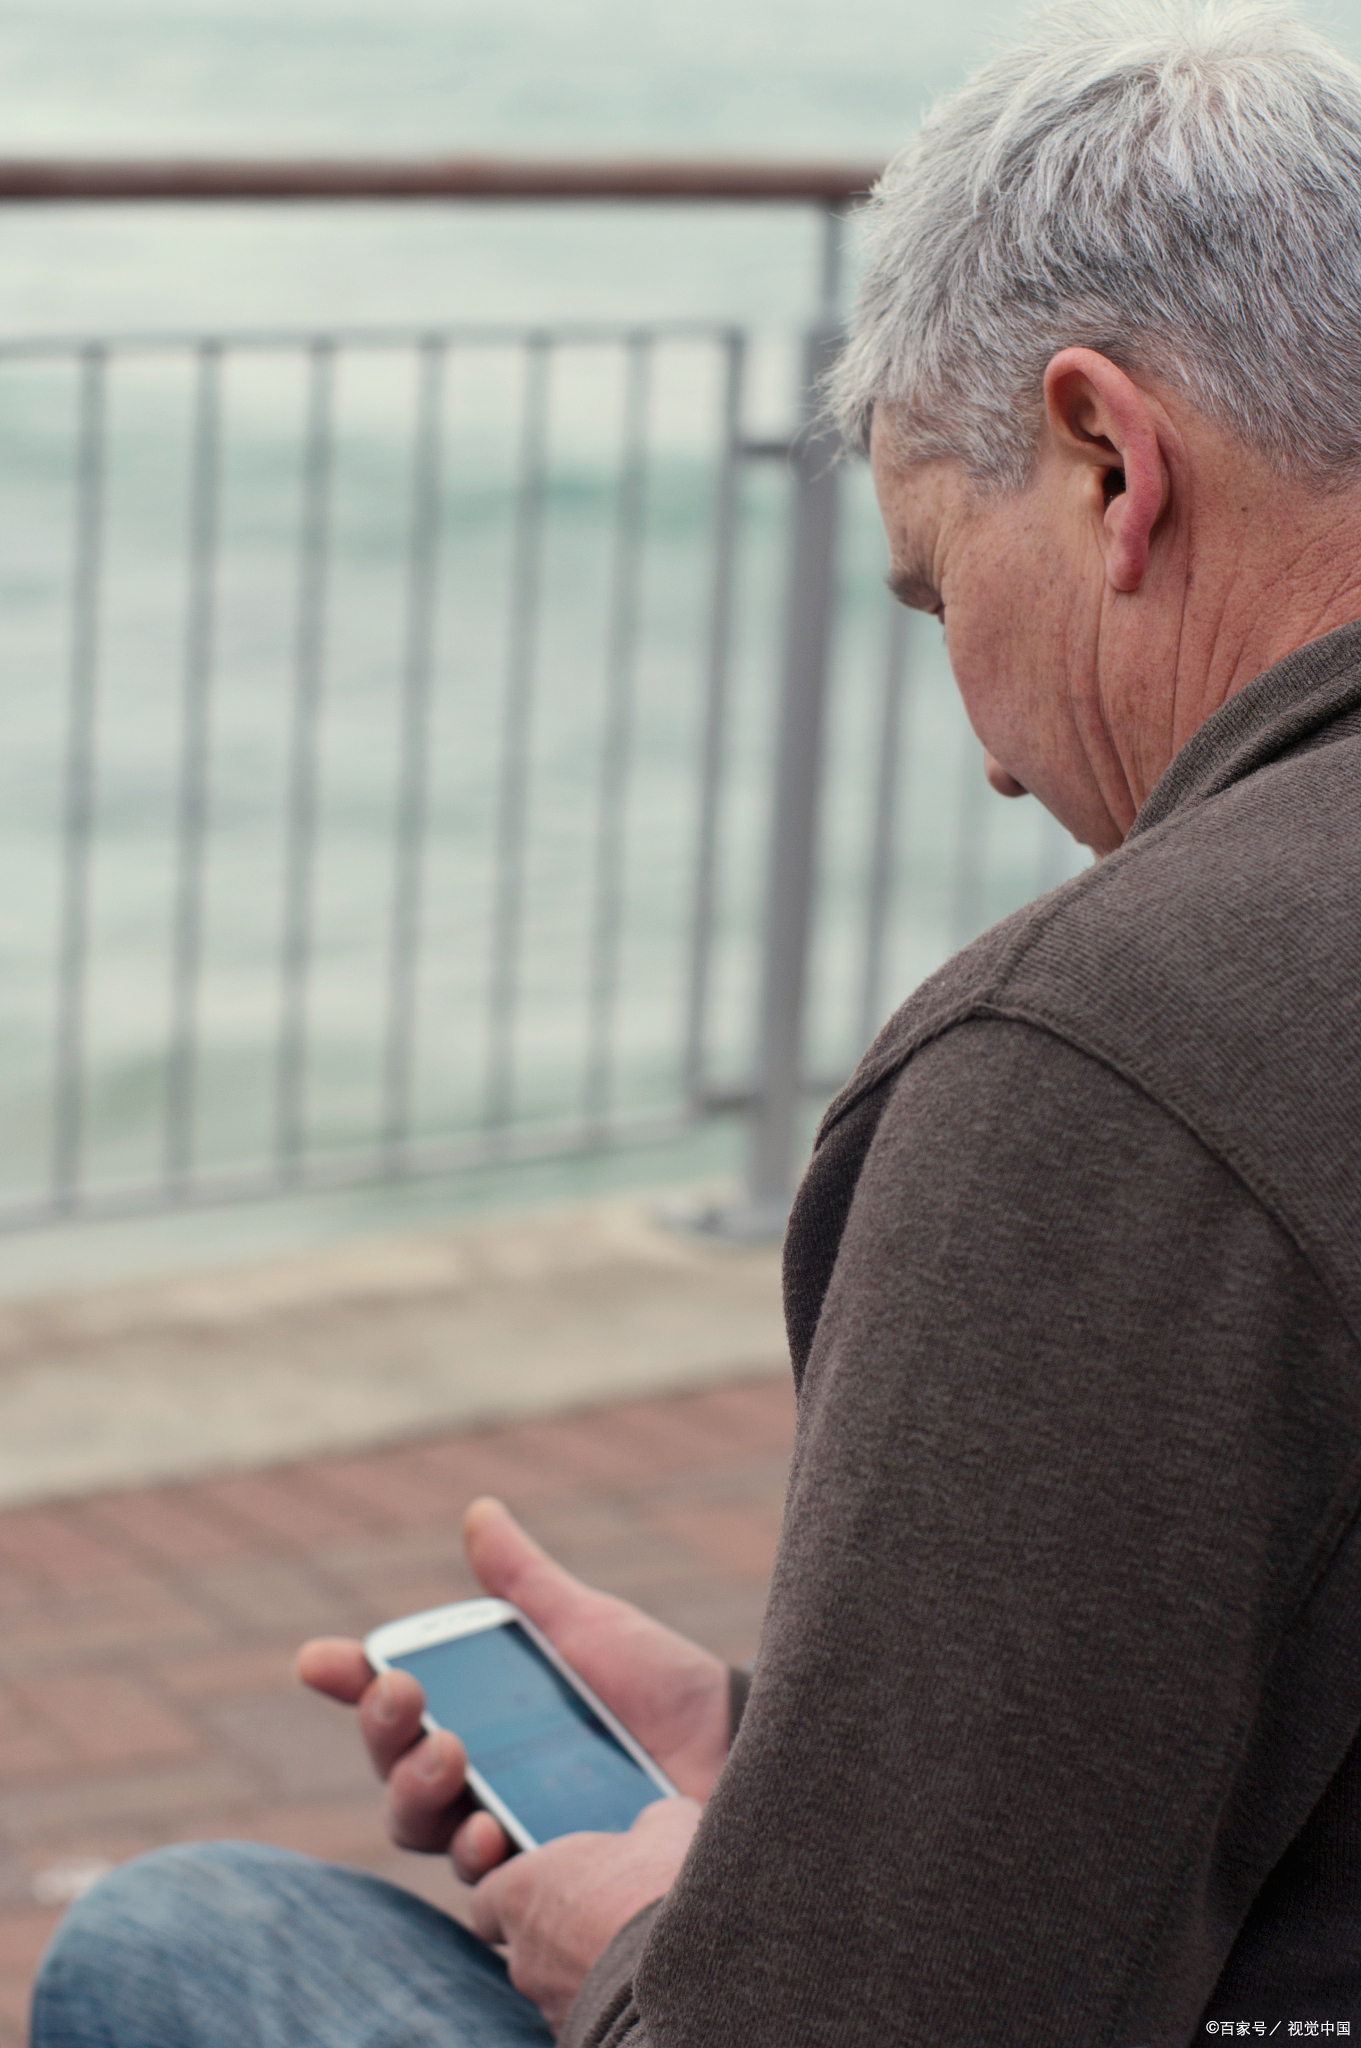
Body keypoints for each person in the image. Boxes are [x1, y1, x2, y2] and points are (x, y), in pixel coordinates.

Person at [31, 1, 1361, 2040]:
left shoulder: (1111, 1062)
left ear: (1108, 455)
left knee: (185, 1934)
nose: (995, 760)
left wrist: (645, 1932)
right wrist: (783, 1758)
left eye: (937, 590)